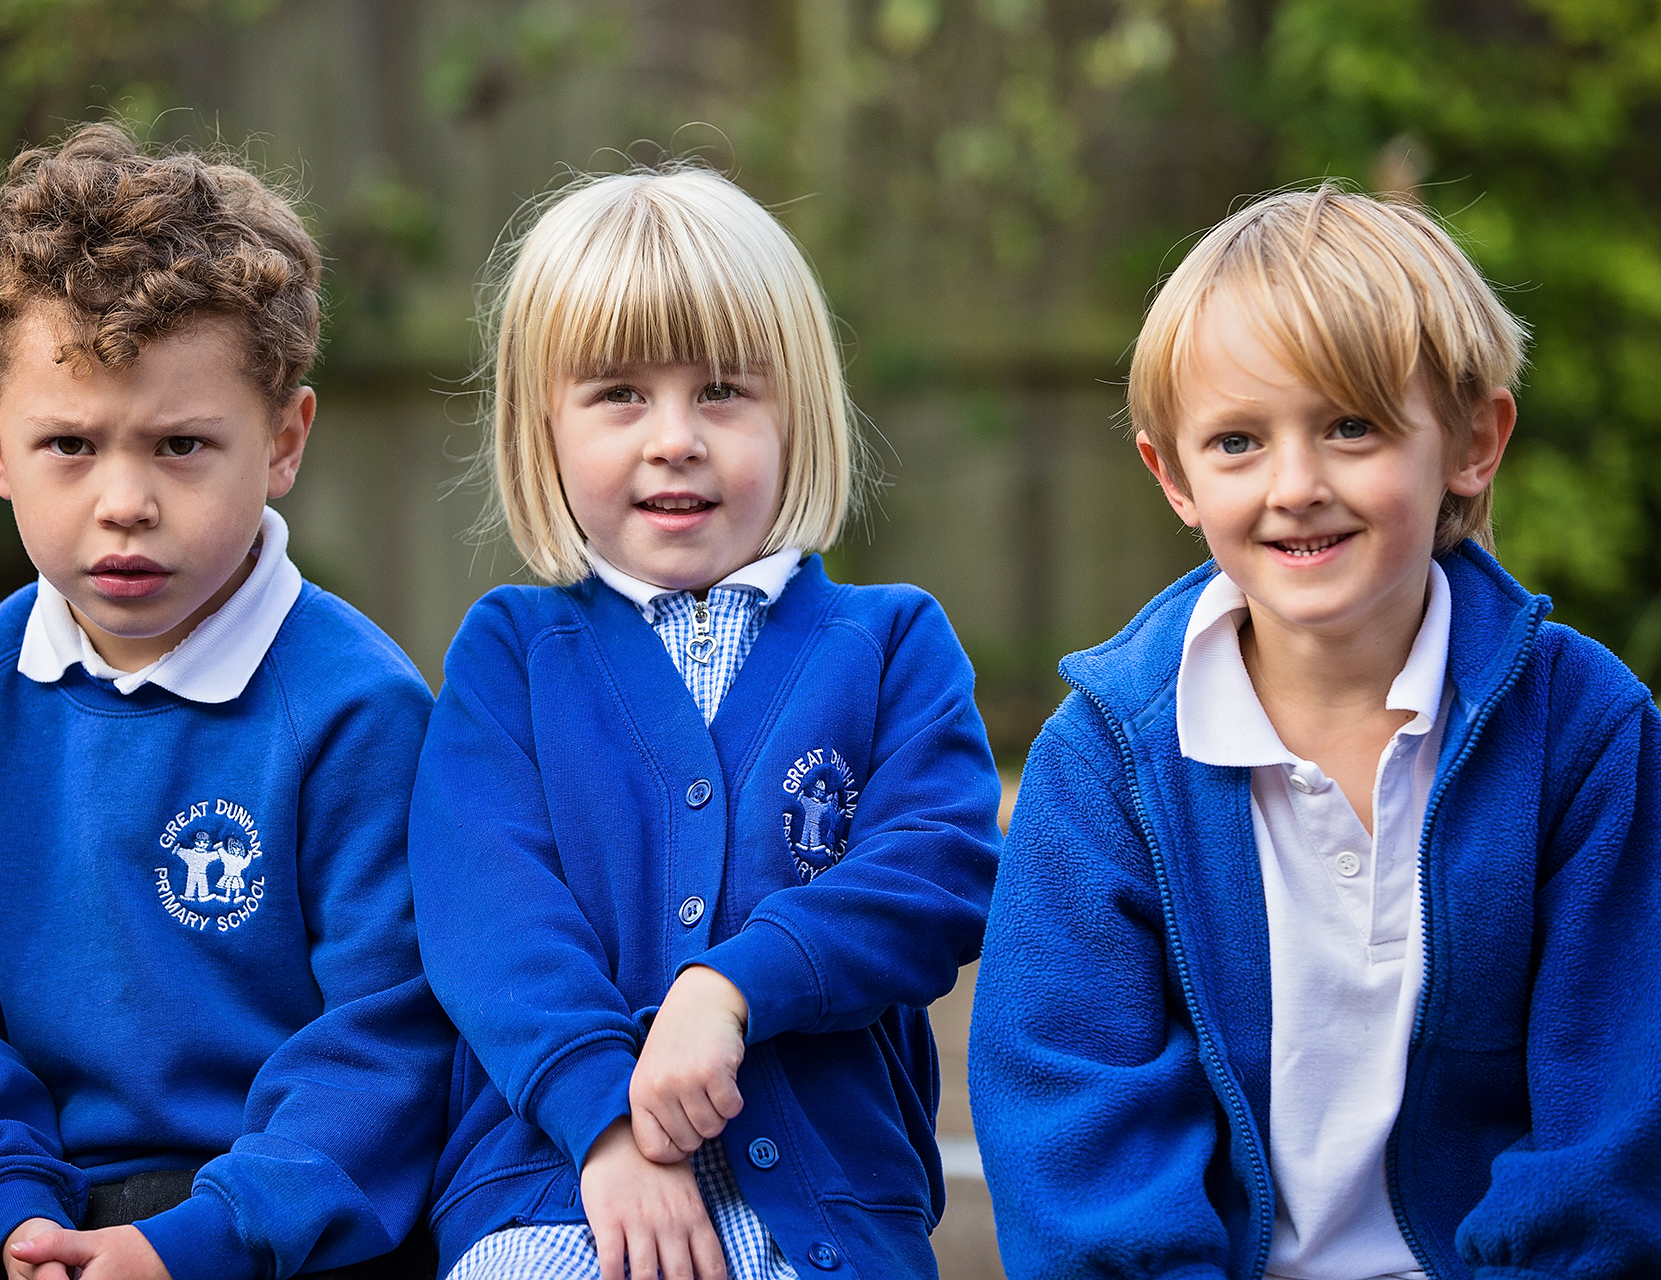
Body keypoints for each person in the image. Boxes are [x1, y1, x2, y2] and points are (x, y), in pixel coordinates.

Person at [969, 185, 1661, 1279]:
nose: (1296, 485)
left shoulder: (1584, 733)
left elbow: (1614, 1124)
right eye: (1238, 441)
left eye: (1351, 426)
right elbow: (1073, 1119)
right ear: (1175, 476)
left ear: (1473, 441)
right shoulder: (1106, 759)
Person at [0, 123, 451, 1280]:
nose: (124, 501)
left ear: (283, 441)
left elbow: (390, 1043)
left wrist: (190, 1244)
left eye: (180, 446)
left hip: (277, 1225)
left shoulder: (358, 710)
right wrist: (12, 1208)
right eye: (69, 443)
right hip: (25, 1210)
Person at [407, 164, 1003, 1280]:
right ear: (545, 424)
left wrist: (730, 986)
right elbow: (489, 916)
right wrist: (607, 1118)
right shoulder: (512, 653)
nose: (674, 436)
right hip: (555, 1184)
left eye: (724, 390)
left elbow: (939, 869)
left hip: (823, 1211)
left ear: (799, 411)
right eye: (618, 394)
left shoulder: (891, 642)